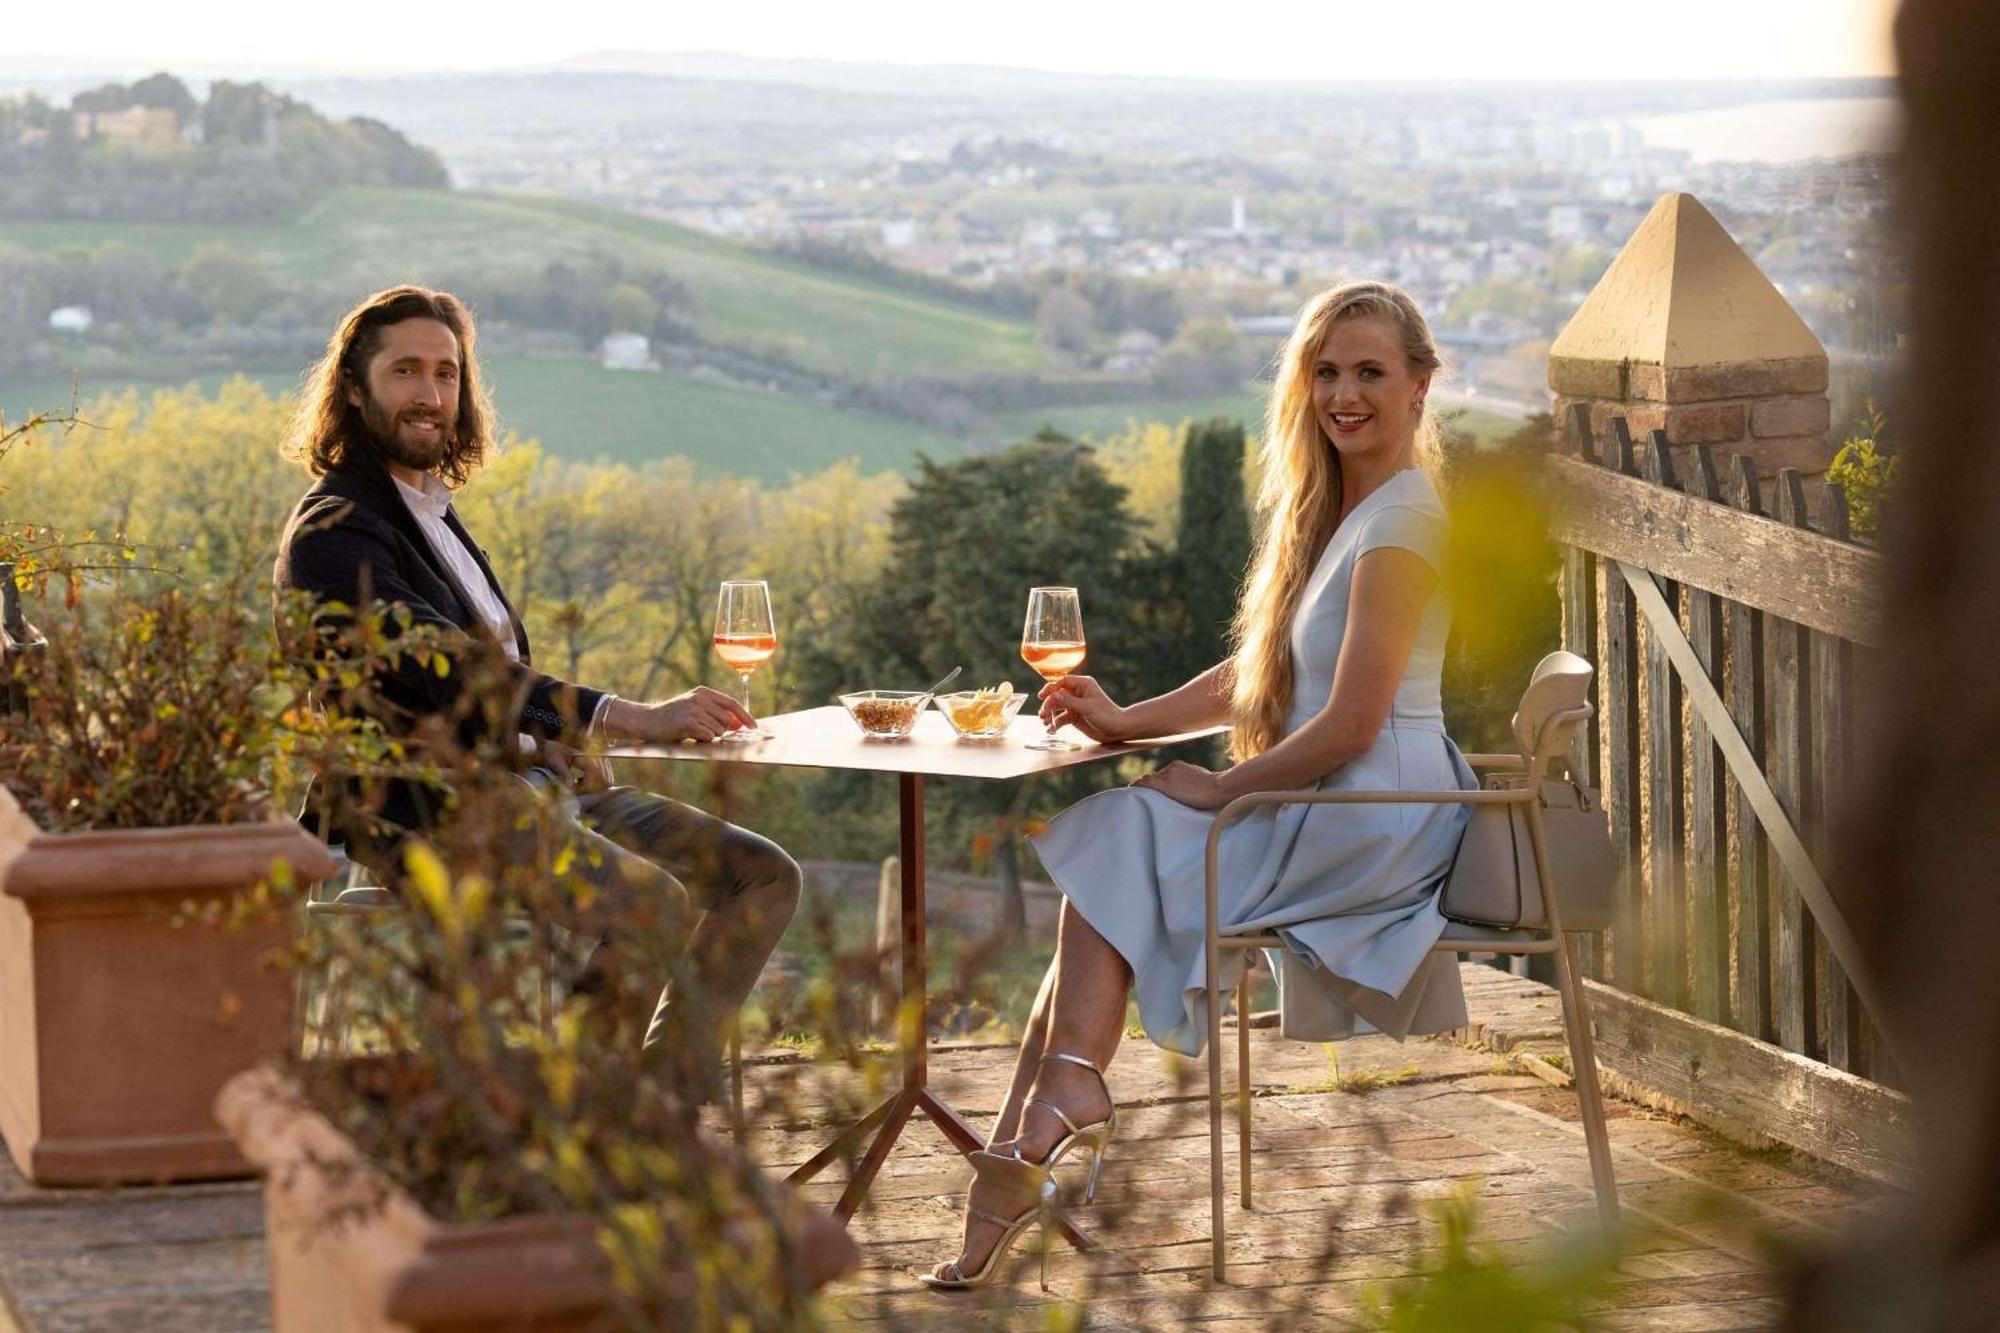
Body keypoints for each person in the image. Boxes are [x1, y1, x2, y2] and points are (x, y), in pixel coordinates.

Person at [925, 280, 1476, 1288]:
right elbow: (1257, 678)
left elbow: (1351, 721)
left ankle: (1057, 1107)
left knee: (1119, 839)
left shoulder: (1403, 525)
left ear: (1420, 387)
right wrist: (1126, 720)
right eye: (1324, 372)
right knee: (1108, 875)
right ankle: (1037, 1130)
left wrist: (1224, 794)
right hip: (1328, 796)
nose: (1342, 394)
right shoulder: (1340, 514)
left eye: (1368, 373)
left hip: (1374, 813)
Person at [274, 284, 800, 1082]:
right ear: (353, 387)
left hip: (534, 785)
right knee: (648, 906)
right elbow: (445, 671)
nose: (431, 395)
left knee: (761, 876)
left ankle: (657, 1105)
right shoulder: (334, 529)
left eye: (447, 374)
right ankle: (581, 1119)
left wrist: (555, 741)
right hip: (428, 803)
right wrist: (617, 716)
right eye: (406, 371)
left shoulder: (432, 513)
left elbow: (491, 670)